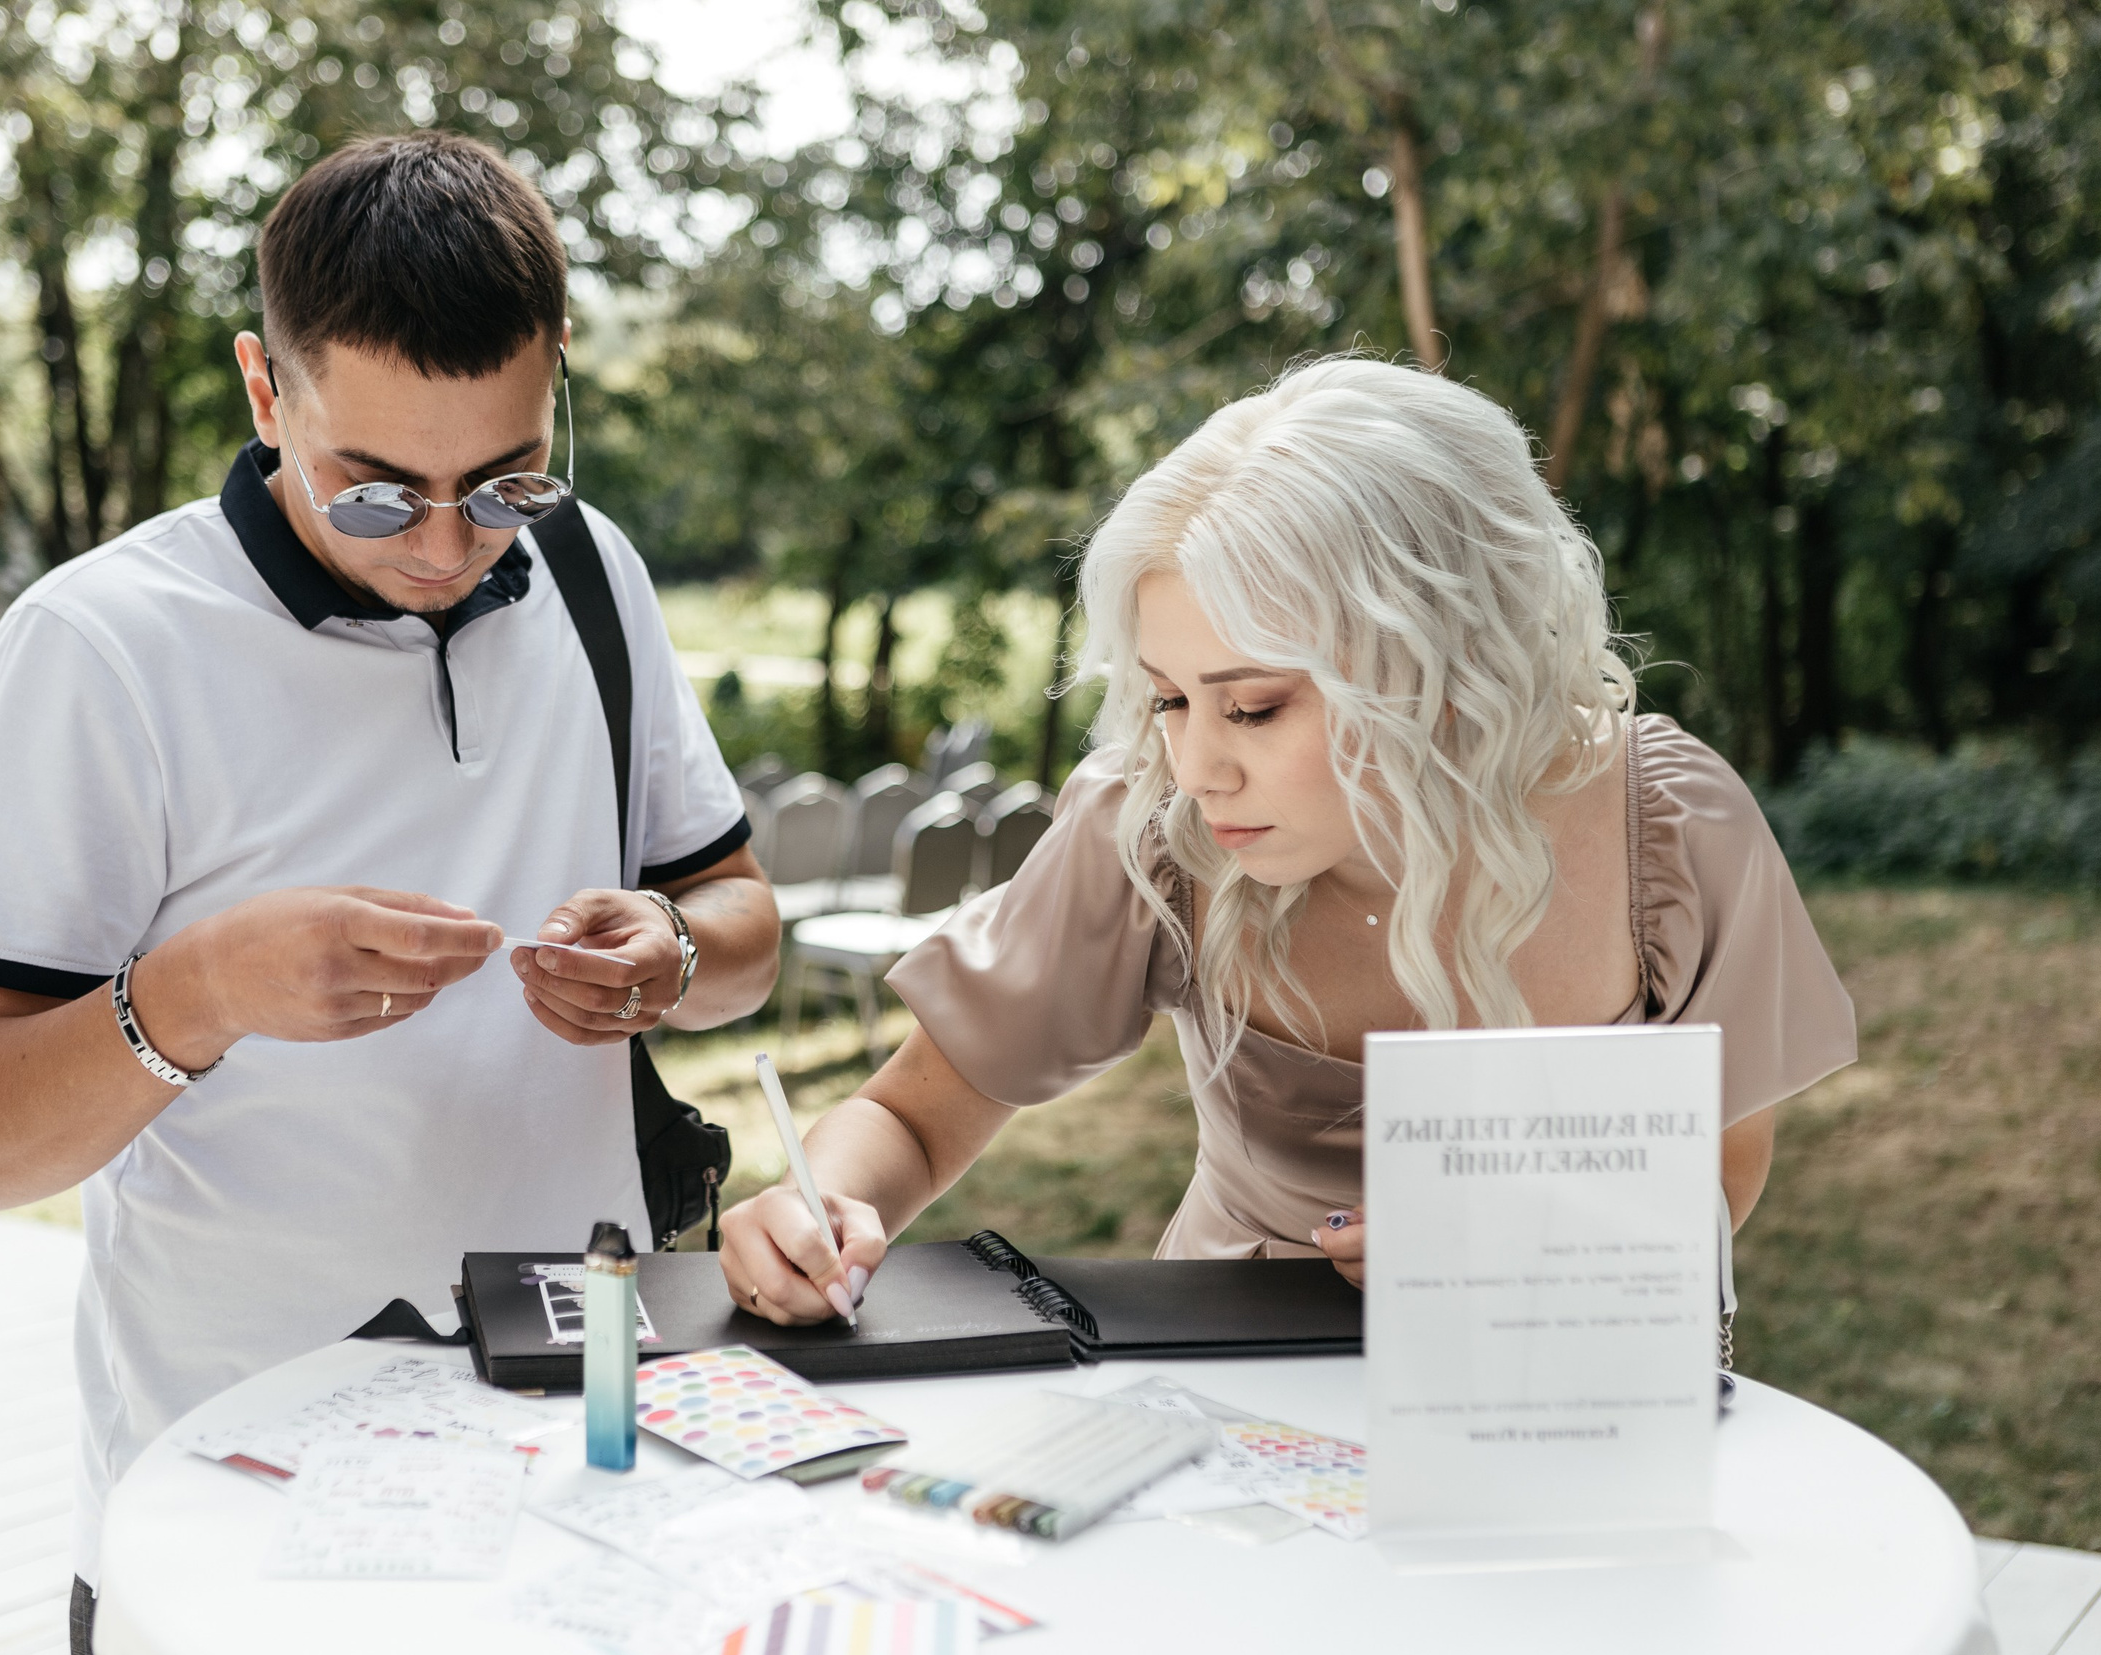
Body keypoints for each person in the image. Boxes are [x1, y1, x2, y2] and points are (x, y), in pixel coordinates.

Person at [0, 132, 778, 1655]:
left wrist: (677, 957)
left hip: (586, 1497)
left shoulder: (588, 572)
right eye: (376, 492)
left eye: (502, 480)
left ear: (556, 374)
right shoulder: (100, 650)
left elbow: (740, 917)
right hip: (239, 1545)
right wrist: (199, 989)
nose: (447, 551)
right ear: (263, 391)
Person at [718, 354, 1855, 1323]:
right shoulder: (1151, 826)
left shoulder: (1665, 822)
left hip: (1552, 1404)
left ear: (1440, 670)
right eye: (1168, 698)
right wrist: (816, 1204)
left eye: (1253, 704)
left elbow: (1722, 1161)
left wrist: (1515, 1239)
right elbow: (911, 1114)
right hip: (1222, 1416)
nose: (1198, 764)